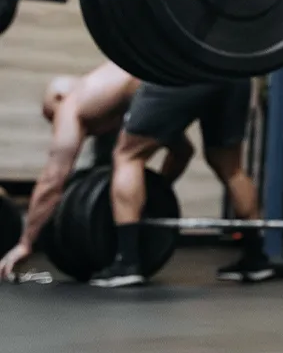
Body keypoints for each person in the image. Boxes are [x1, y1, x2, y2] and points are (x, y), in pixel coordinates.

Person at [0, 61, 193, 281]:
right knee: (197, 157)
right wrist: (156, 192)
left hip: (162, 80)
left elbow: (52, 182)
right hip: (181, 77)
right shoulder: (108, 97)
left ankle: (128, 261)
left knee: (126, 158)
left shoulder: (71, 105)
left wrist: (25, 243)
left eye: (53, 116)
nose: (57, 123)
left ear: (58, 99)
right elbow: (183, 152)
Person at [90, 76, 273, 288]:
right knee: (231, 168)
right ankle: (256, 258)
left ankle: (127, 262)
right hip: (233, 73)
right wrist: (160, 190)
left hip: (182, 71)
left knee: (128, 154)